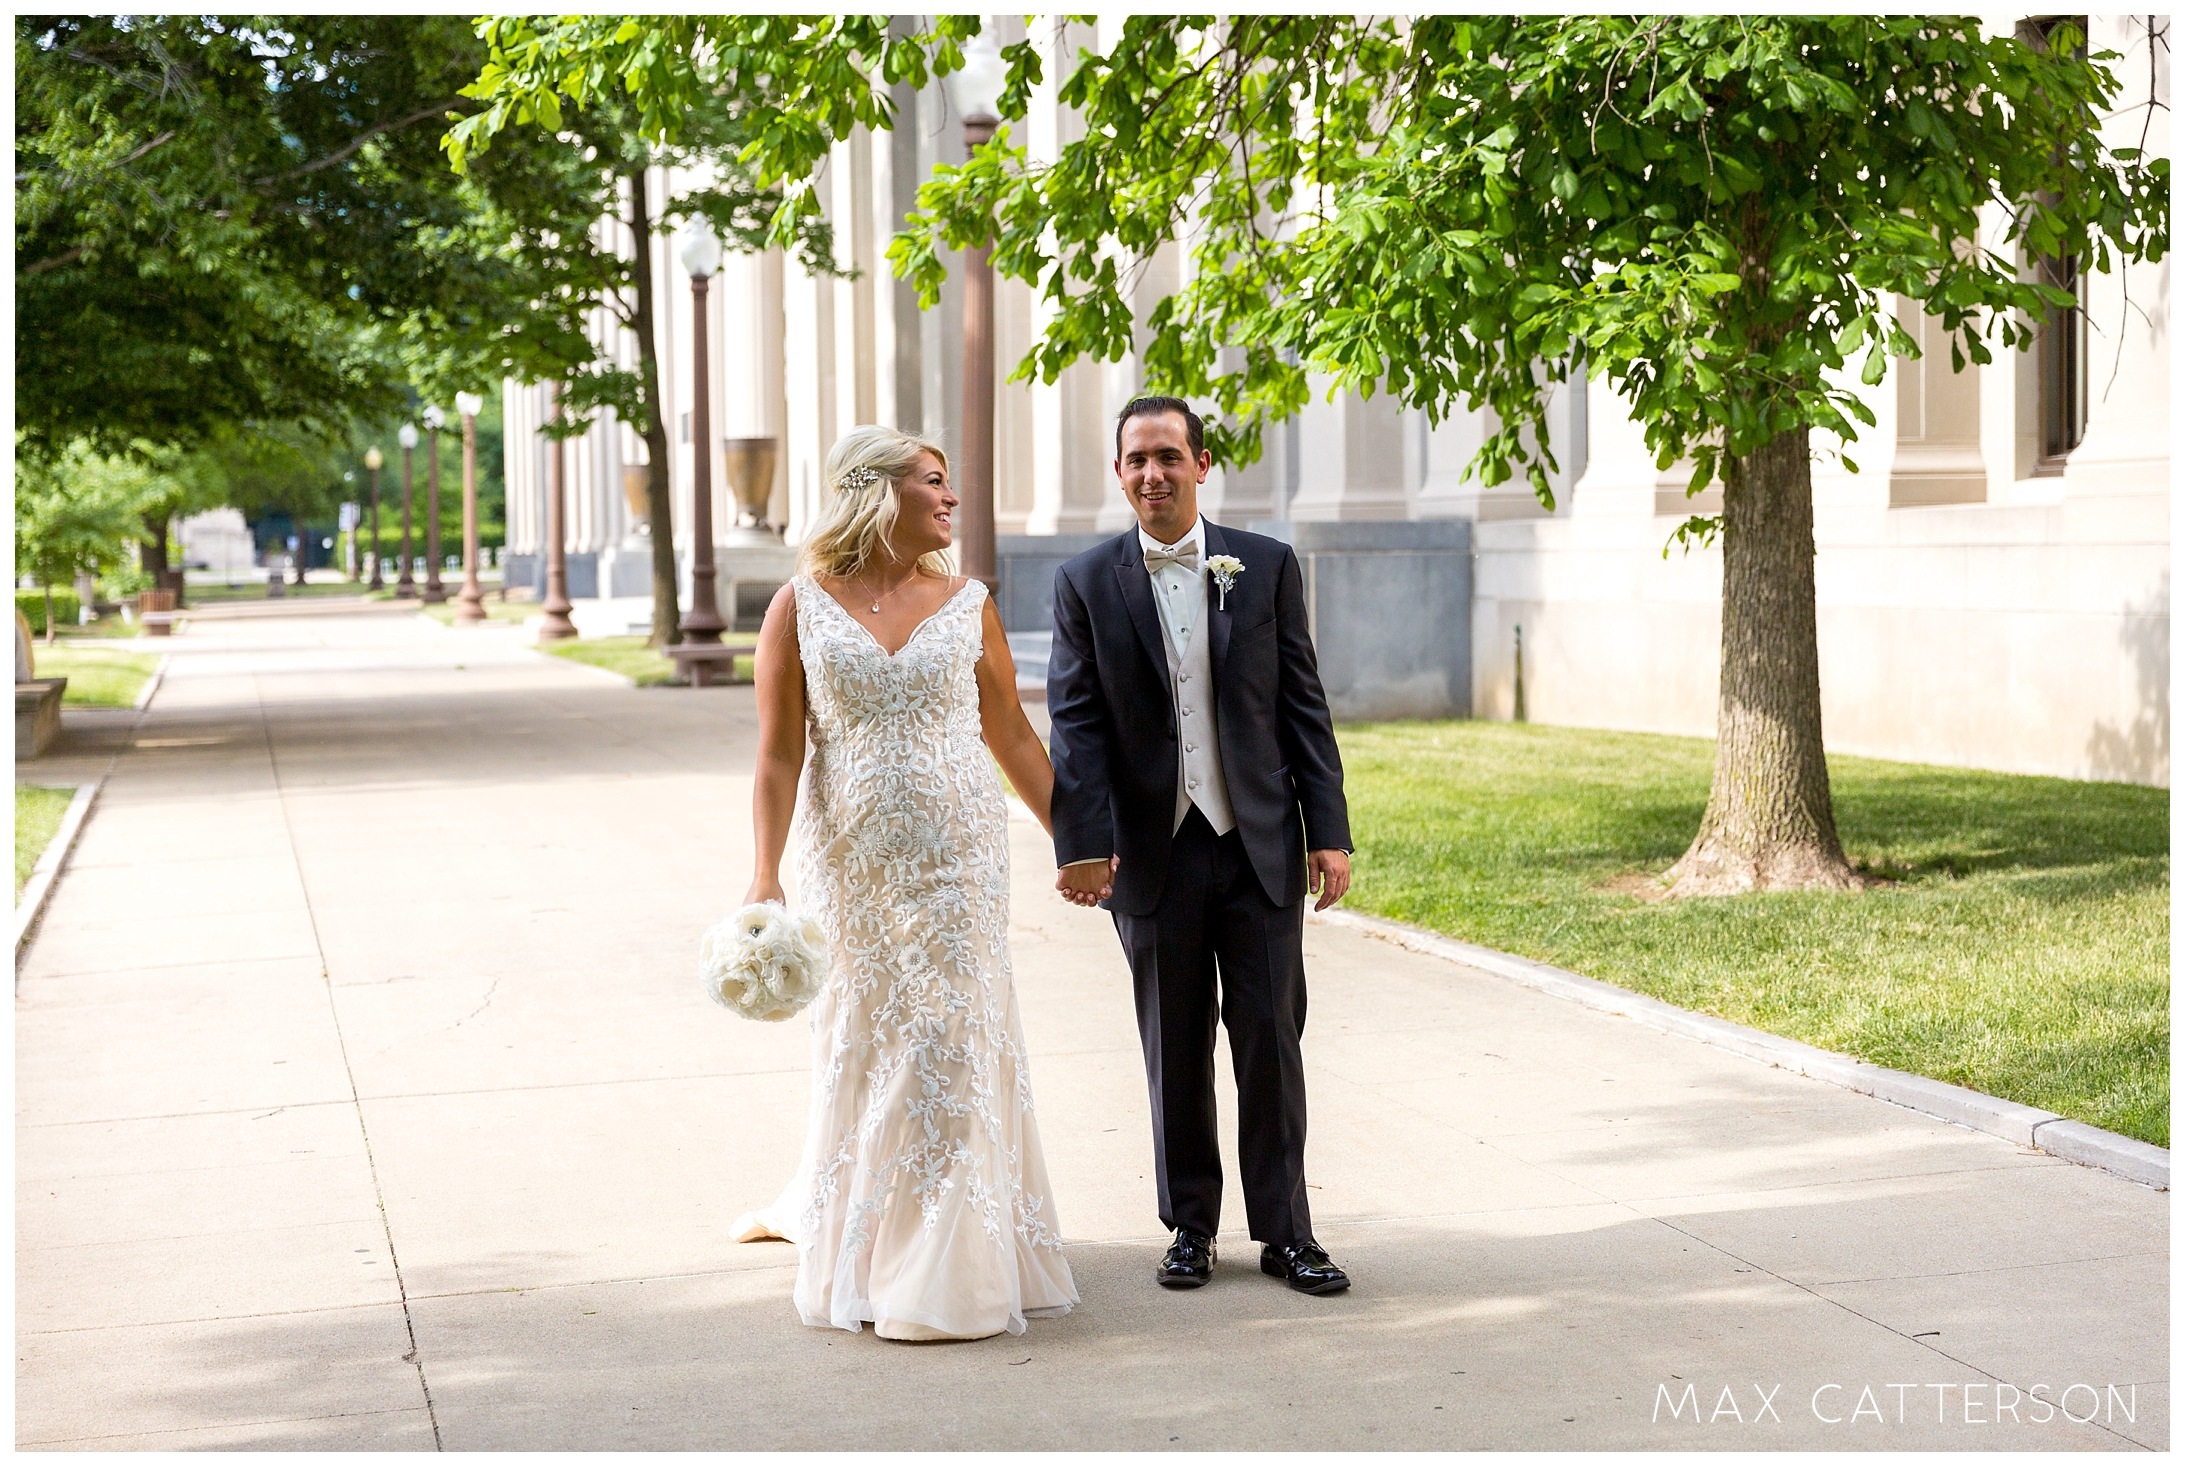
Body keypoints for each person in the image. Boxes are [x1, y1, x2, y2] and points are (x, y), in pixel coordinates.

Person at [736, 424, 1078, 1341]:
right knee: (869, 1041)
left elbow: (1010, 735)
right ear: (877, 493)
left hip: (959, 861)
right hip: (850, 865)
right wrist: (763, 873)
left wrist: (1076, 843)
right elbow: (777, 755)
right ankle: (872, 1241)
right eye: (933, 481)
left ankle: (946, 1268)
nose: (951, 497)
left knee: (950, 1042)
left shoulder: (969, 602)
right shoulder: (797, 606)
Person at [1047, 396, 1355, 1295]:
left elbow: (1303, 705)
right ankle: (1190, 1225)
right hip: (1151, 853)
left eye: (1168, 457)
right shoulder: (1083, 581)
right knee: (1172, 1045)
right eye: (1136, 459)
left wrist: (1326, 832)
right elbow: (1076, 723)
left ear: (1201, 464)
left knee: (1270, 1041)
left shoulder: (1262, 566)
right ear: (1118, 473)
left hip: (1255, 844)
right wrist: (1084, 842)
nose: (1153, 474)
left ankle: (1287, 1233)